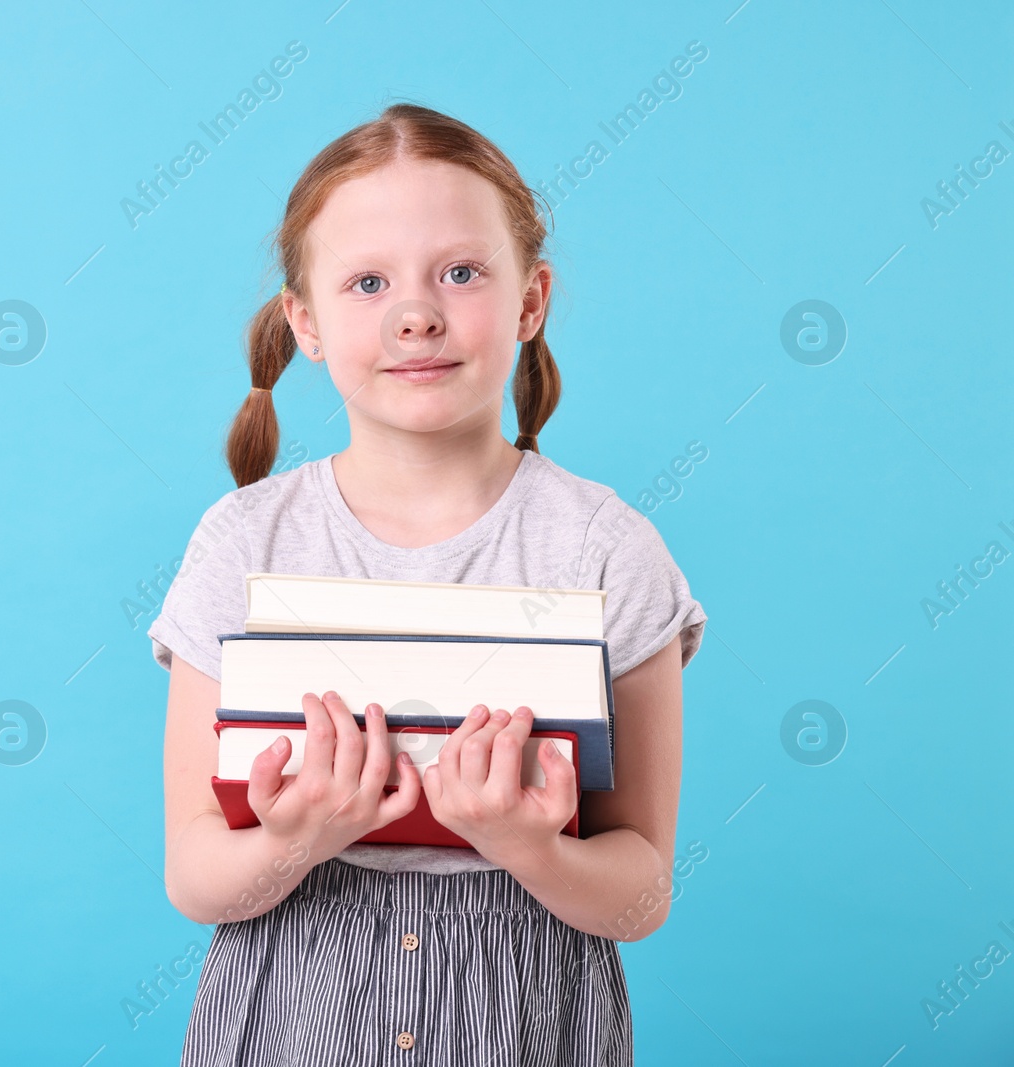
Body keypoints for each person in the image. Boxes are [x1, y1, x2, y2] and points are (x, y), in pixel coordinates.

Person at [148, 102, 707, 1066]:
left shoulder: (608, 551)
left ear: (531, 301)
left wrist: (530, 846)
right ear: (306, 322)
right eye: (368, 282)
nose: (417, 311)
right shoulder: (241, 544)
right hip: (294, 1014)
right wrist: (298, 839)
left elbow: (642, 891)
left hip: (527, 1017)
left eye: (461, 272)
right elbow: (195, 877)